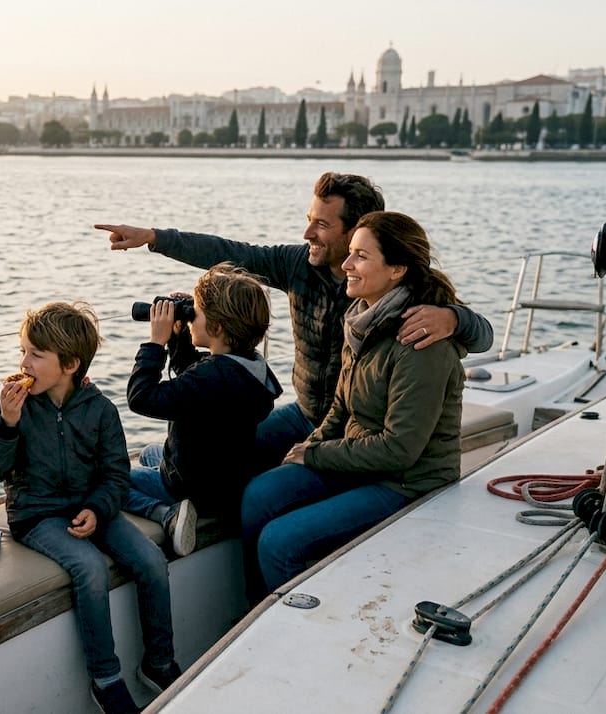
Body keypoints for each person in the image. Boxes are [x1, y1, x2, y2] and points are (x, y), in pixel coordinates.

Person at [95, 172, 491, 467]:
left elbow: (483, 335)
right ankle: (157, 461)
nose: (307, 233)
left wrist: (454, 318)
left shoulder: (398, 289)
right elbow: (232, 252)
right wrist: (154, 238)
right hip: (305, 413)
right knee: (215, 459)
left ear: (358, 230)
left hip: (358, 431)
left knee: (247, 475)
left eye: (322, 224)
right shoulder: (297, 265)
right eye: (309, 219)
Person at [240, 211, 466, 600]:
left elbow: (400, 449)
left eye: (360, 256)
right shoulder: (363, 320)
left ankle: (288, 630)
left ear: (396, 269)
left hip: (406, 481)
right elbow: (342, 406)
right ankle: (256, 607)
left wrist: (317, 456)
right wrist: (314, 444)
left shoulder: (420, 344)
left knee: (279, 541)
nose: (345, 264)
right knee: (260, 493)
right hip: (365, 461)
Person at [0, 301, 181, 714]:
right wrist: (7, 424)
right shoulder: (13, 406)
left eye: (35, 354)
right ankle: (106, 679)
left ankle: (158, 663)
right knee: (88, 568)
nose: (24, 362)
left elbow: (115, 475)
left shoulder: (99, 409)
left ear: (70, 364)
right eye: (23, 351)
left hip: (92, 508)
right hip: (36, 514)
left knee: (150, 559)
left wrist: (98, 509)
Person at [124, 263, 282, 558]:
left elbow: (142, 397)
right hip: (225, 478)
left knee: (107, 477)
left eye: (194, 312)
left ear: (217, 327)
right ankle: (163, 491)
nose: (190, 317)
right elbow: (194, 381)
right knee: (149, 453)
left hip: (192, 487)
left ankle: (167, 514)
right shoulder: (249, 367)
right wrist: (181, 336)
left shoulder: (212, 378)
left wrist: (156, 343)